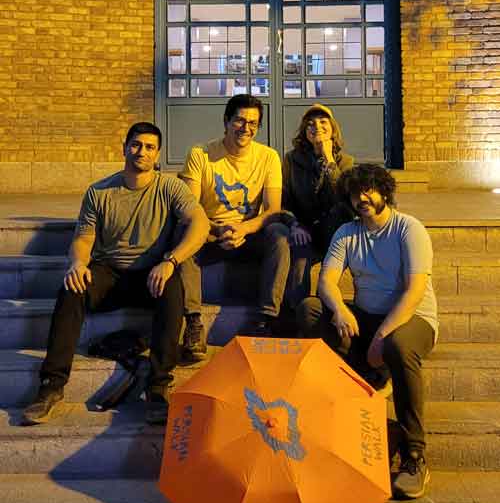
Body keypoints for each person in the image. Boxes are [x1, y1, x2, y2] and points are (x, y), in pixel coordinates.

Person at [23, 122, 209, 426]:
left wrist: (171, 260)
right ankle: (51, 386)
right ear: (124, 148)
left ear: (157, 154)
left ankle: (158, 386)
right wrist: (77, 264)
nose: (141, 151)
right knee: (71, 288)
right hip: (109, 273)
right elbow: (83, 238)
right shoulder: (99, 192)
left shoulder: (170, 187)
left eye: (149, 147)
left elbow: (200, 223)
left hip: (151, 275)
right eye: (136, 144)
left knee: (173, 286)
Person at [297, 163, 438, 499]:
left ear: (384, 192)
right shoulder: (347, 232)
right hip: (366, 317)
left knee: (398, 346)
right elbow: (326, 282)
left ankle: (414, 455)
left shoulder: (408, 229)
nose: (362, 198)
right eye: (354, 193)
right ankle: (366, 377)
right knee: (310, 310)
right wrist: (340, 309)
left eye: (368, 191)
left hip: (411, 318)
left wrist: (380, 338)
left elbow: (414, 291)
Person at [178, 94, 290, 355]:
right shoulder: (200, 154)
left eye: (253, 123)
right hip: (209, 232)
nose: (245, 128)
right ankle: (193, 322)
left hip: (247, 234)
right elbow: (190, 208)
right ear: (226, 121)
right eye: (239, 120)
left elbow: (273, 210)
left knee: (279, 233)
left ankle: (265, 320)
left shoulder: (268, 157)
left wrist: (244, 229)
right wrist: (218, 229)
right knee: (184, 230)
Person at [281, 103, 354, 304]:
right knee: (300, 257)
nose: (317, 127)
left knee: (339, 214)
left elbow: (344, 198)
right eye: (311, 124)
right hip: (303, 228)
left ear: (333, 129)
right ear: (304, 131)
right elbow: (284, 200)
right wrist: (294, 224)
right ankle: (298, 311)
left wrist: (328, 159)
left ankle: (327, 303)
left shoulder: (345, 162)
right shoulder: (291, 159)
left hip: (333, 230)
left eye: (323, 122)